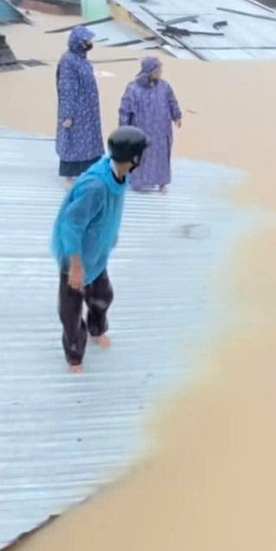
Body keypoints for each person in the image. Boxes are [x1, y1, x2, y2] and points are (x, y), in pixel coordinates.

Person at [51, 126, 150, 372]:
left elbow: (109, 211)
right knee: (71, 313)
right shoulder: (96, 186)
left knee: (103, 297)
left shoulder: (119, 175)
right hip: (76, 257)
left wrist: (109, 236)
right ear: (134, 158)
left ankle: (97, 329)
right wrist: (74, 265)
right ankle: (75, 356)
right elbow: (71, 225)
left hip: (97, 253)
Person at [118, 57, 182, 193]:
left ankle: (162, 183)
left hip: (161, 130)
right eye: (159, 69)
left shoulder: (164, 87)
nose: (161, 72)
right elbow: (125, 109)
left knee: (161, 156)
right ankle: (137, 182)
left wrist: (177, 115)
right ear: (151, 71)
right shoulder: (133, 88)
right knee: (140, 156)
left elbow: (172, 101)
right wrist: (123, 128)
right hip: (141, 130)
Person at [55, 25, 104, 183]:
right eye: (86, 41)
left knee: (88, 142)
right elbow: (67, 88)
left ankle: (88, 172)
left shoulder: (81, 58)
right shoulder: (68, 61)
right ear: (78, 42)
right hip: (77, 111)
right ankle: (69, 176)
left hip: (88, 111)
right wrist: (68, 115)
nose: (89, 43)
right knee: (73, 141)